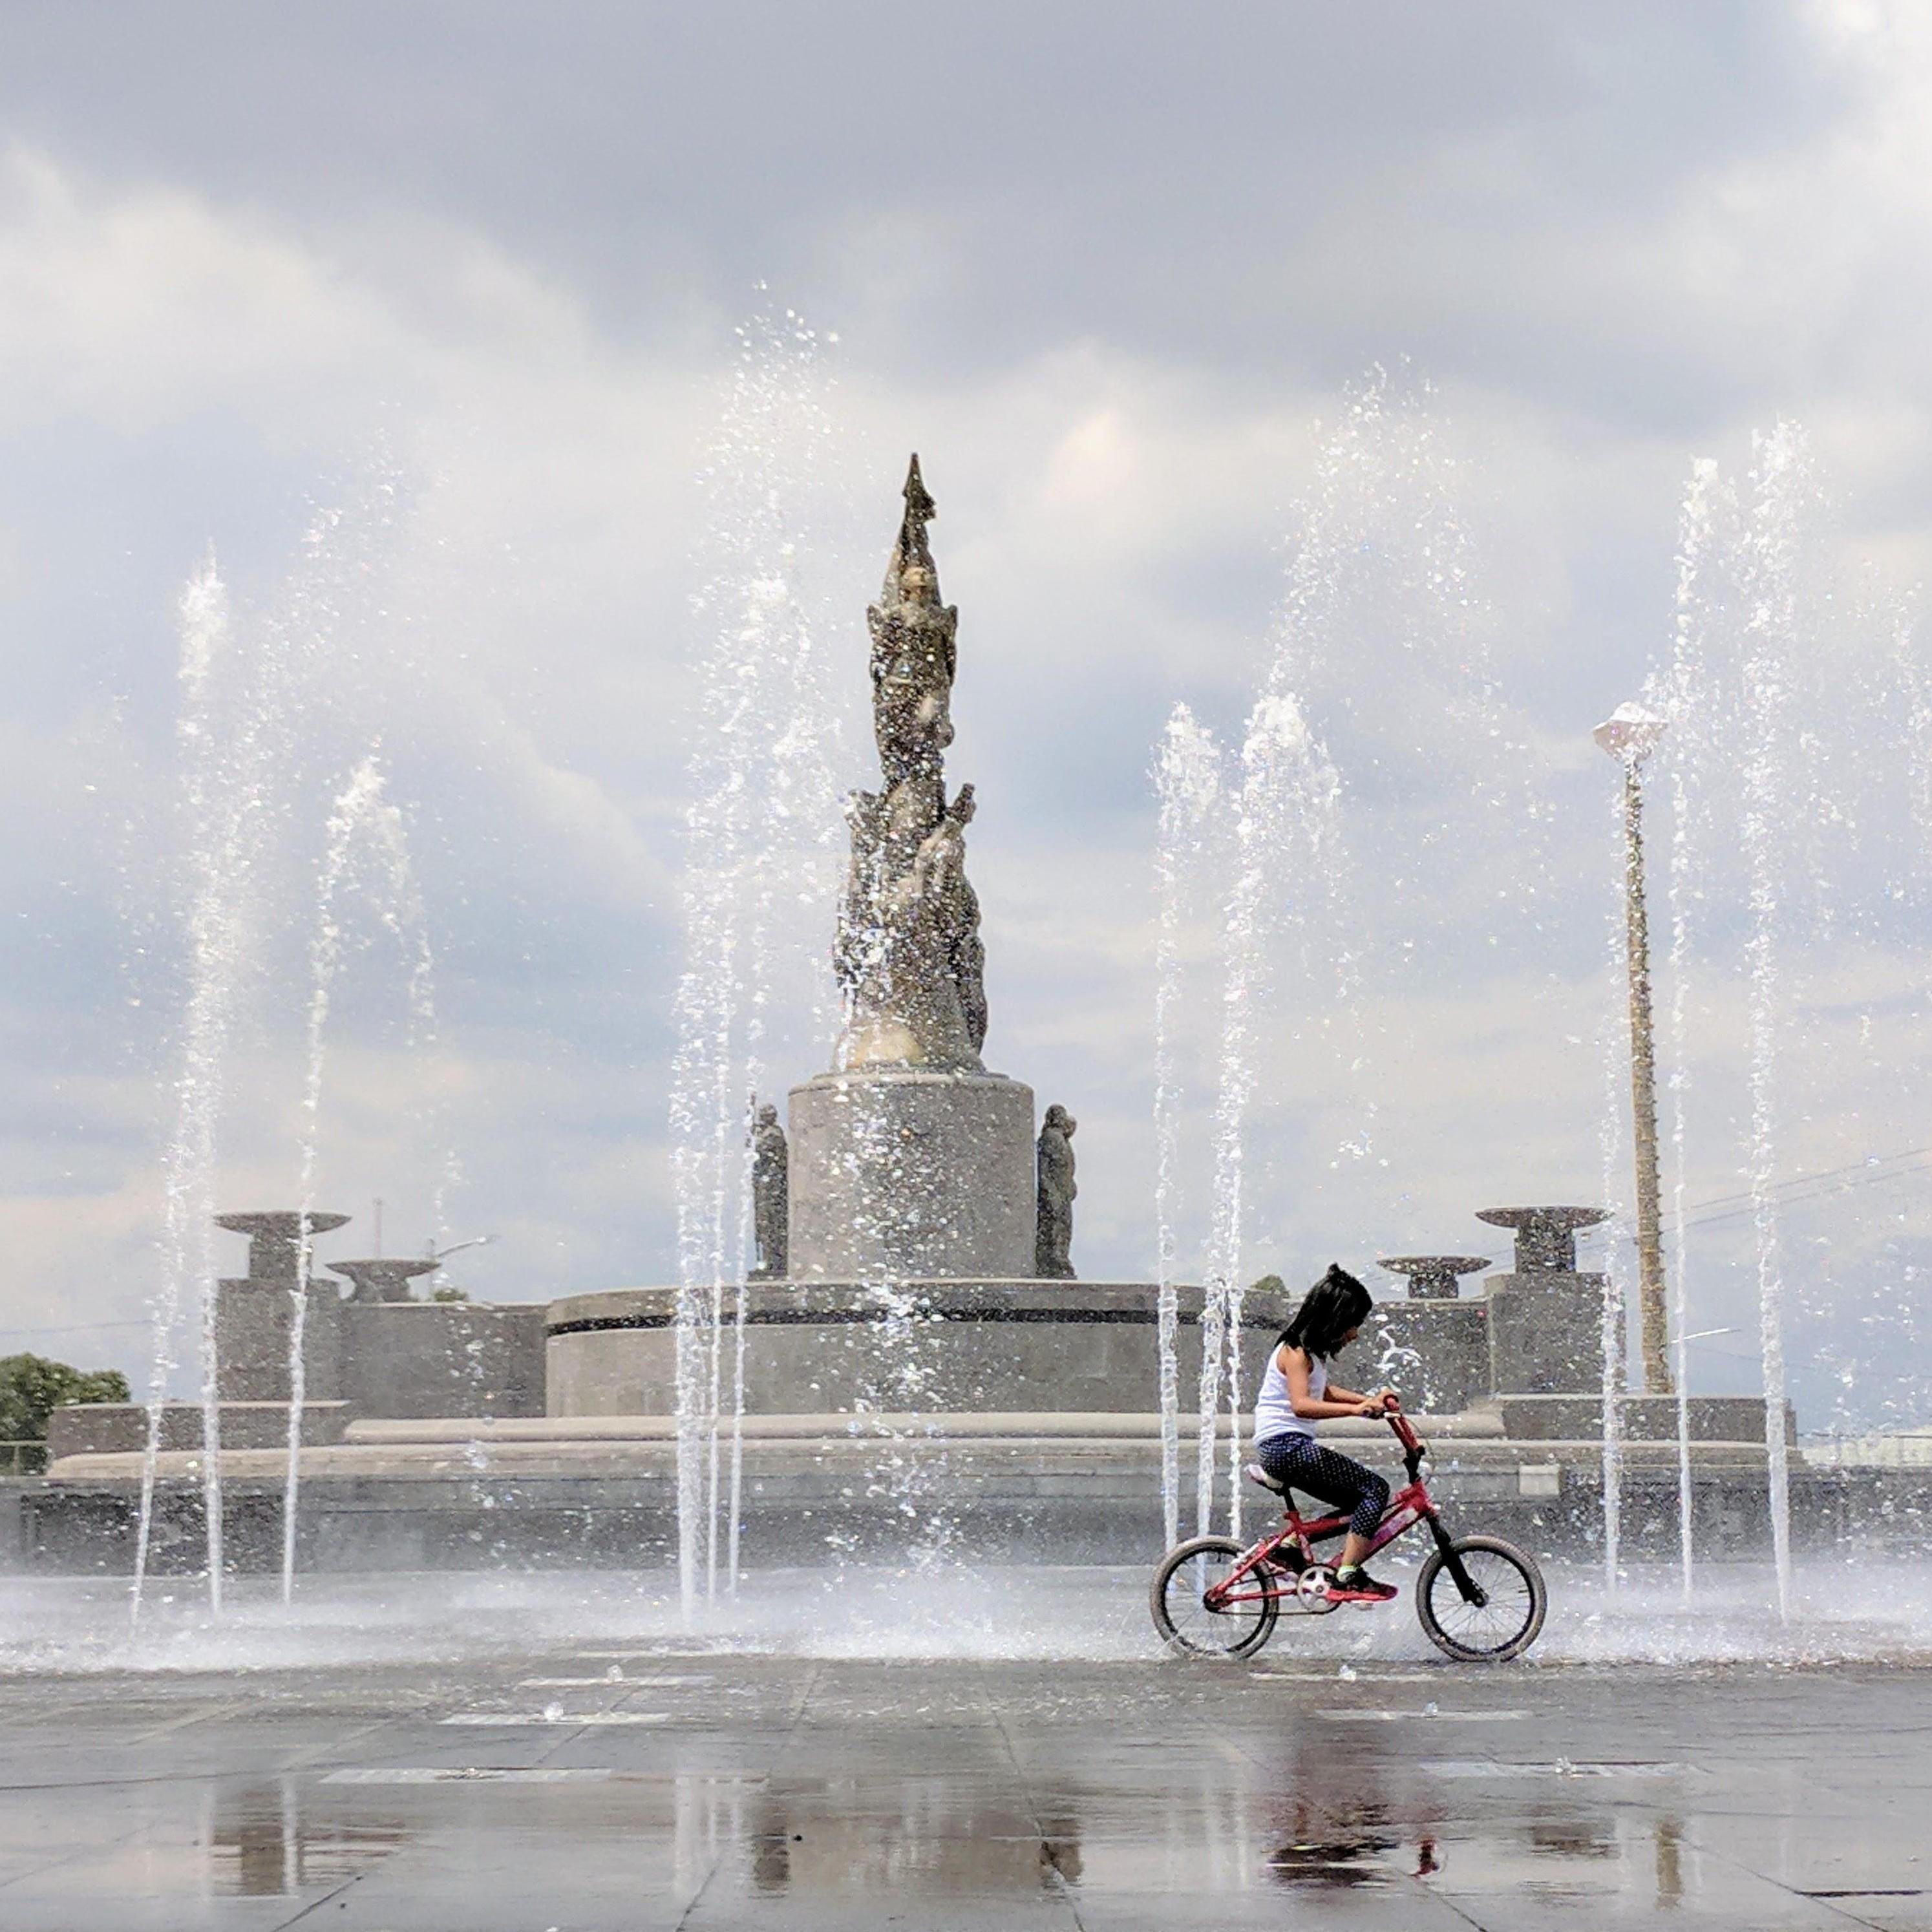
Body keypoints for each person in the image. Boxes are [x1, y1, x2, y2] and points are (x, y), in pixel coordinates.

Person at [1252, 1264, 1400, 1603]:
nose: (1355, 1334)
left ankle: (1291, 1547)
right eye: (1353, 1324)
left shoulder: (1310, 1356)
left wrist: (1369, 1401)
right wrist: (1356, 1411)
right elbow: (1302, 1405)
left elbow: (1324, 1391)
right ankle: (1348, 1574)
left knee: (1359, 1504)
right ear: (1334, 1318)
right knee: (1375, 1489)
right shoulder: (1294, 1352)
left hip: (1286, 1447)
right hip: (1286, 1447)